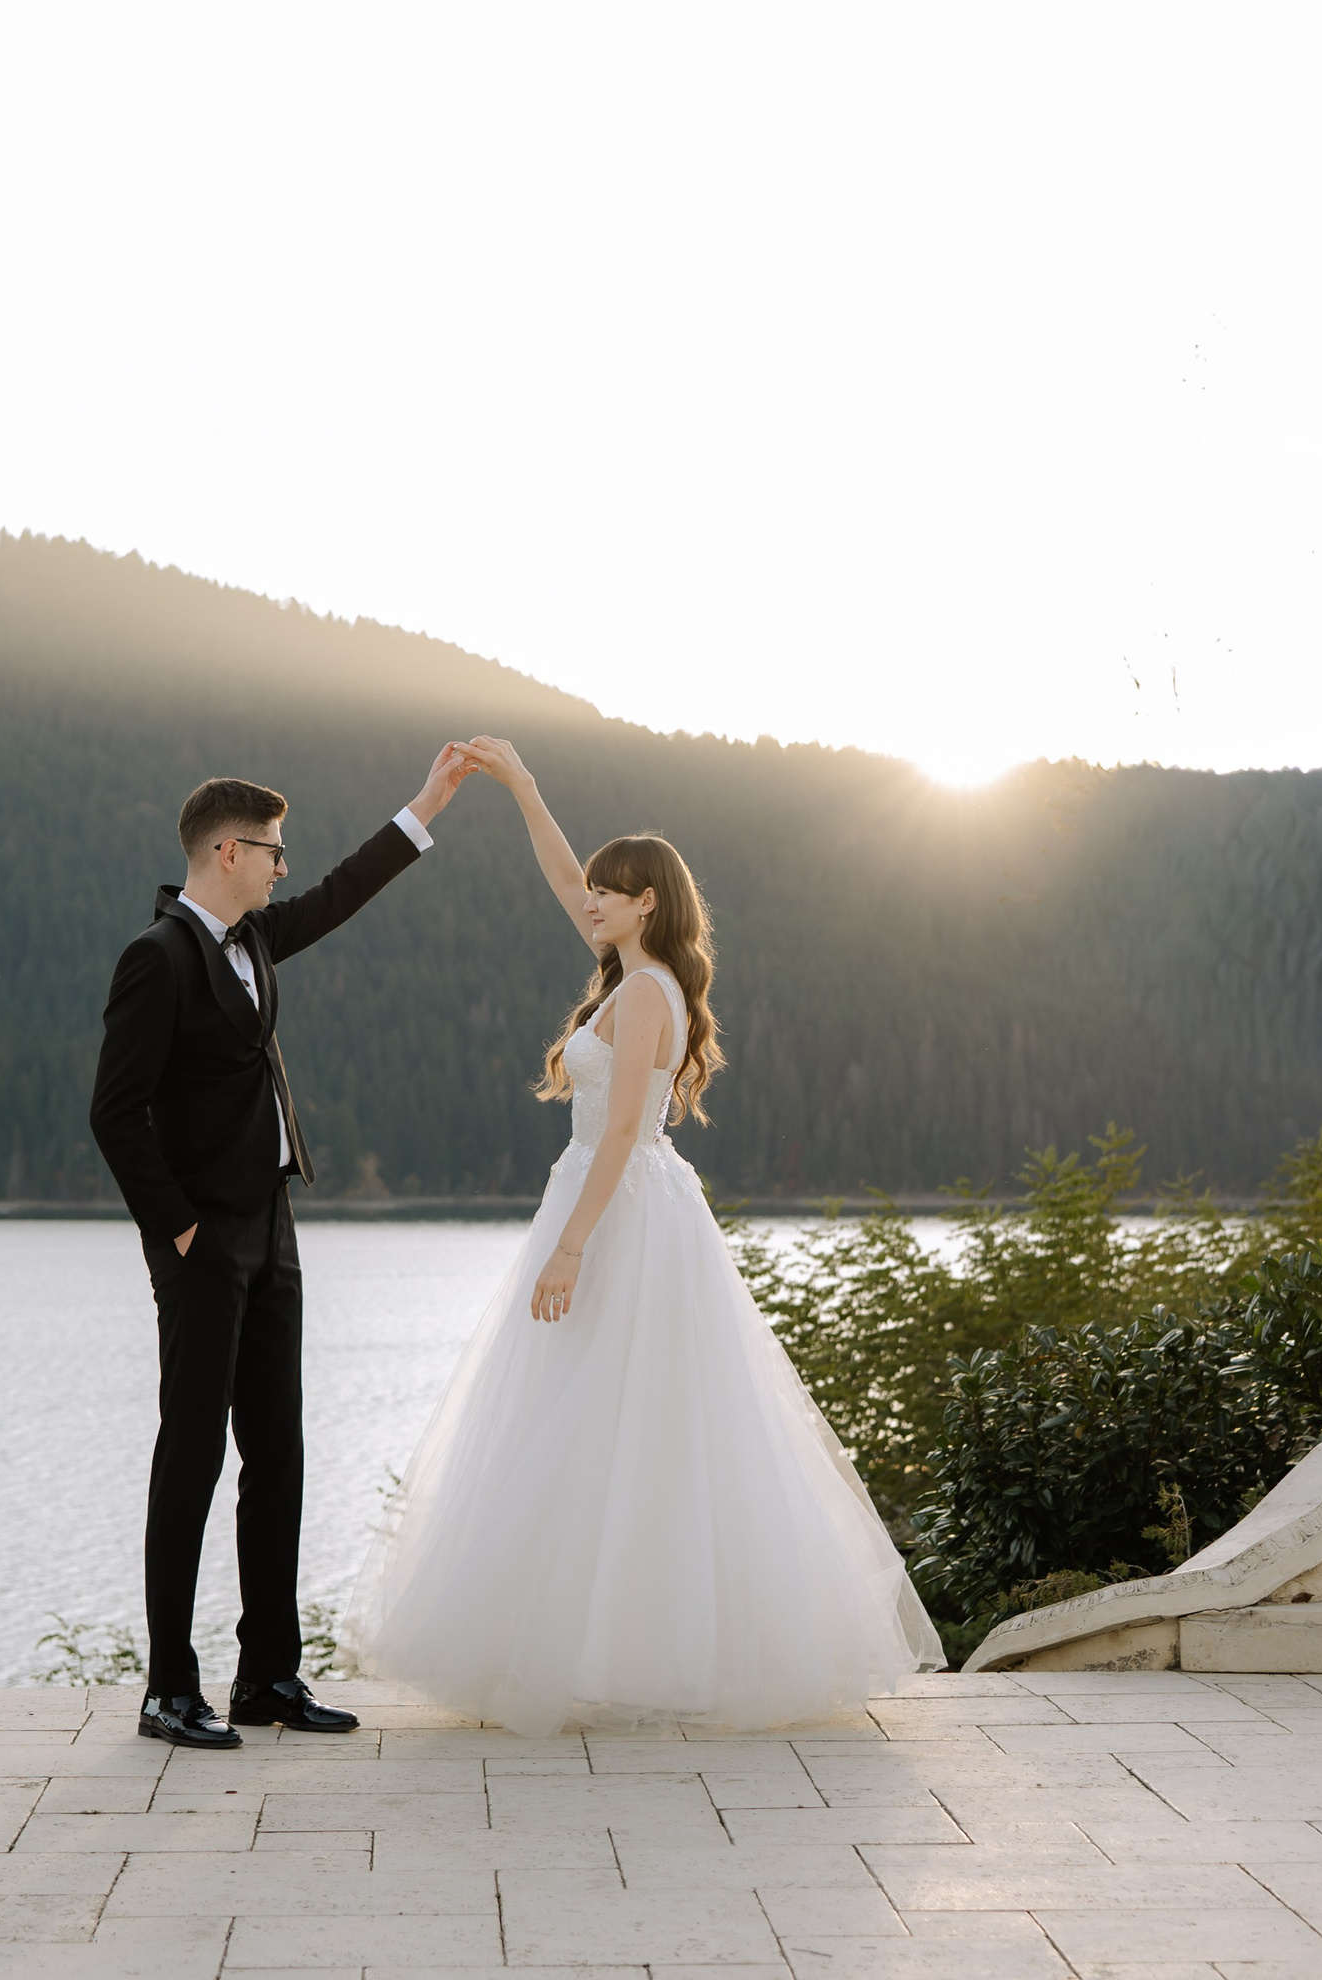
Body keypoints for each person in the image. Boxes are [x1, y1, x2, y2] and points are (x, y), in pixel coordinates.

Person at [346, 735, 942, 1735]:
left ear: (647, 903)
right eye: (593, 890)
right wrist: (522, 786)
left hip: (615, 1208)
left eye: (609, 892)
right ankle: (595, 1647)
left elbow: (624, 1129)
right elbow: (560, 877)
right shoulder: (632, 976)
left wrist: (572, 1244)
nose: (590, 901)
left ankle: (631, 1654)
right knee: (593, 1421)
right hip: (609, 1198)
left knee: (628, 1420)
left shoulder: (648, 992)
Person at [91, 747, 469, 1750]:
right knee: (191, 1457)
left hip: (272, 1226)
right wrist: (179, 1229)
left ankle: (267, 1678)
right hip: (201, 1242)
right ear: (226, 850)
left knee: (279, 1454)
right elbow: (114, 1114)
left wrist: (425, 807)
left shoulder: (257, 938)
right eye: (270, 850)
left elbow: (342, 892)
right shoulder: (157, 958)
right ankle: (169, 1690)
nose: (282, 865)